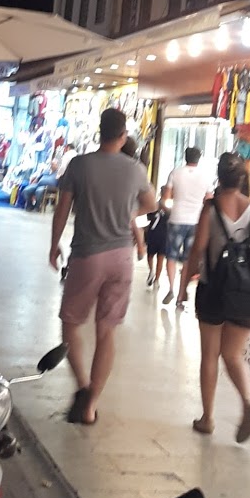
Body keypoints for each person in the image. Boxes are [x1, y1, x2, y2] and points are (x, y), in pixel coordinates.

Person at [50, 108, 157, 426]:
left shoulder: (79, 165)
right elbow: (151, 204)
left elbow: (62, 208)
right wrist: (130, 214)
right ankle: (91, 406)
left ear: (100, 132)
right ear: (123, 135)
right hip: (121, 257)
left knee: (70, 324)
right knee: (106, 330)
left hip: (87, 256)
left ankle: (83, 386)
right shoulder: (136, 169)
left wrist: (54, 244)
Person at [177, 152, 250, 441]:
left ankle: (208, 418)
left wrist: (182, 288)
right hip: (246, 292)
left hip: (213, 289)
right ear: (242, 179)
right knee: (232, 354)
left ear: (220, 177)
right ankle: (247, 401)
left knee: (209, 356)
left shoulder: (210, 209)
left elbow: (197, 250)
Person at [161, 147, 213, 305]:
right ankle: (181, 294)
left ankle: (171, 288)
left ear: (185, 157)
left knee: (171, 256)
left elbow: (166, 198)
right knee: (188, 259)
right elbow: (209, 200)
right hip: (196, 221)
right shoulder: (205, 176)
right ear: (199, 158)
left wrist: (170, 208)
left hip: (176, 218)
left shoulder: (175, 173)